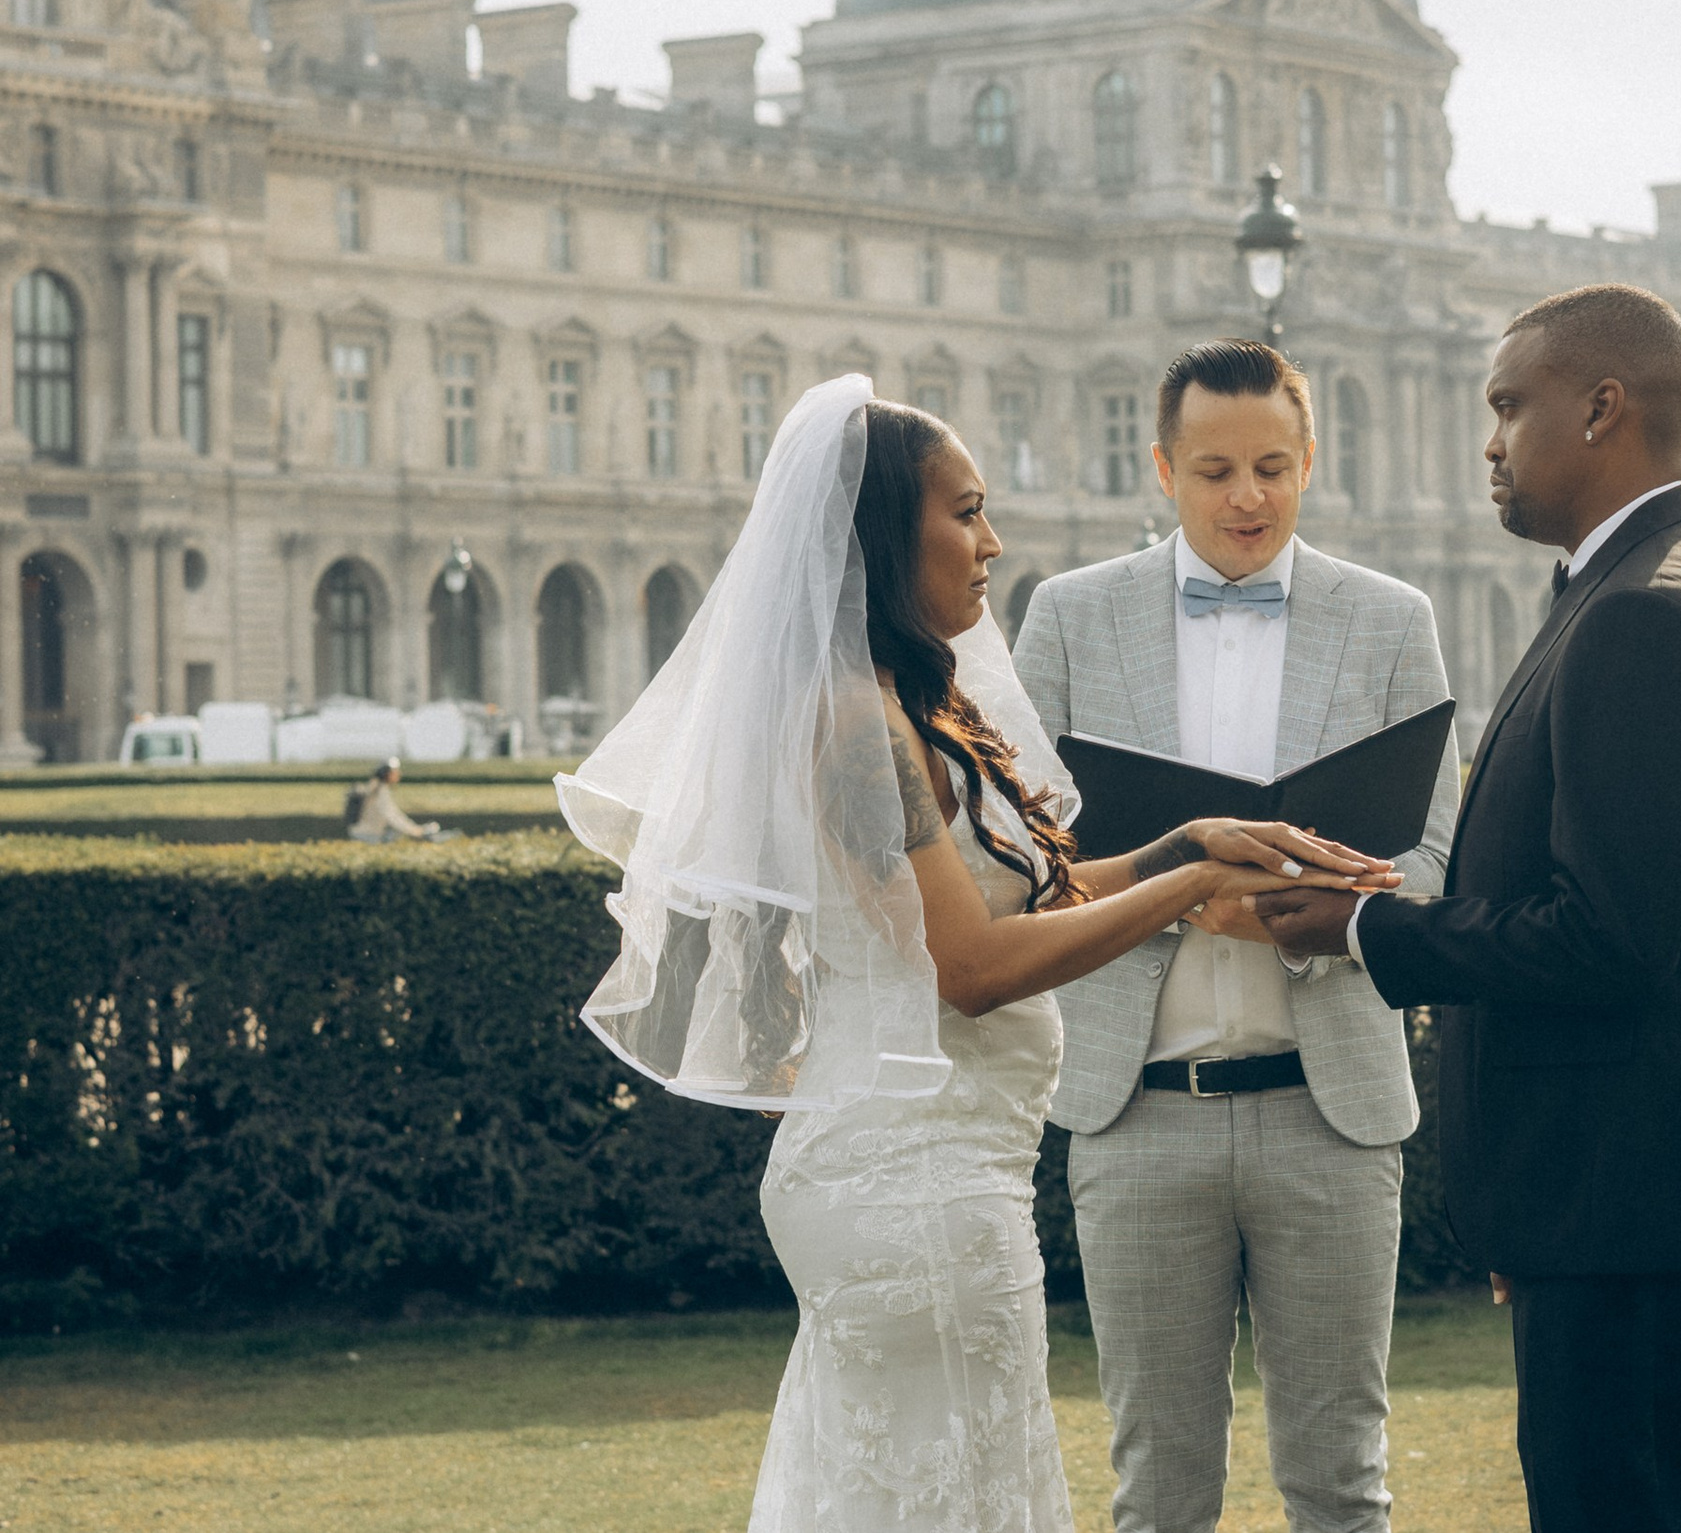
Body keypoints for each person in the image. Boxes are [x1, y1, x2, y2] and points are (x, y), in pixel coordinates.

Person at [555, 375, 1398, 1533]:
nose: (992, 541)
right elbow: (971, 965)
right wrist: (1194, 886)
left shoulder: (887, 705)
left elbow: (1019, 896)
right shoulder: (857, 724)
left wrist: (1182, 845)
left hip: (929, 1169)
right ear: (879, 539)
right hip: (913, 1176)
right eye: (964, 513)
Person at [1254, 284, 1681, 1533]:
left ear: (1601, 408)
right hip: (1612, 1200)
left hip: (1633, 1207)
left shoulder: (1644, 615)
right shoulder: (1644, 589)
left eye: (1507, 407)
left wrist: (1361, 926)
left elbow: (1604, 938)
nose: (1489, 443)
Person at [1012, 338, 1460, 1533]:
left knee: (1341, 1485)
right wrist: (1171, 888)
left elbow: (1435, 859)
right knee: (1158, 1492)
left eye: (1271, 466)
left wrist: (1306, 915)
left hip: (1331, 1112)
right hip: (1135, 1110)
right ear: (1163, 468)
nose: (1246, 496)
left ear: (1310, 459)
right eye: (1213, 471)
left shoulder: (1392, 619)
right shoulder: (1067, 616)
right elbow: (1020, 870)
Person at [346, 758, 439, 841]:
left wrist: (415, 828)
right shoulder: (378, 790)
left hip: (363, 833)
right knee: (397, 834)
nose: (399, 774)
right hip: (368, 836)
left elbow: (395, 814)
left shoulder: (376, 786)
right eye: (395, 771)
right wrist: (416, 831)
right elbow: (392, 817)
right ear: (386, 773)